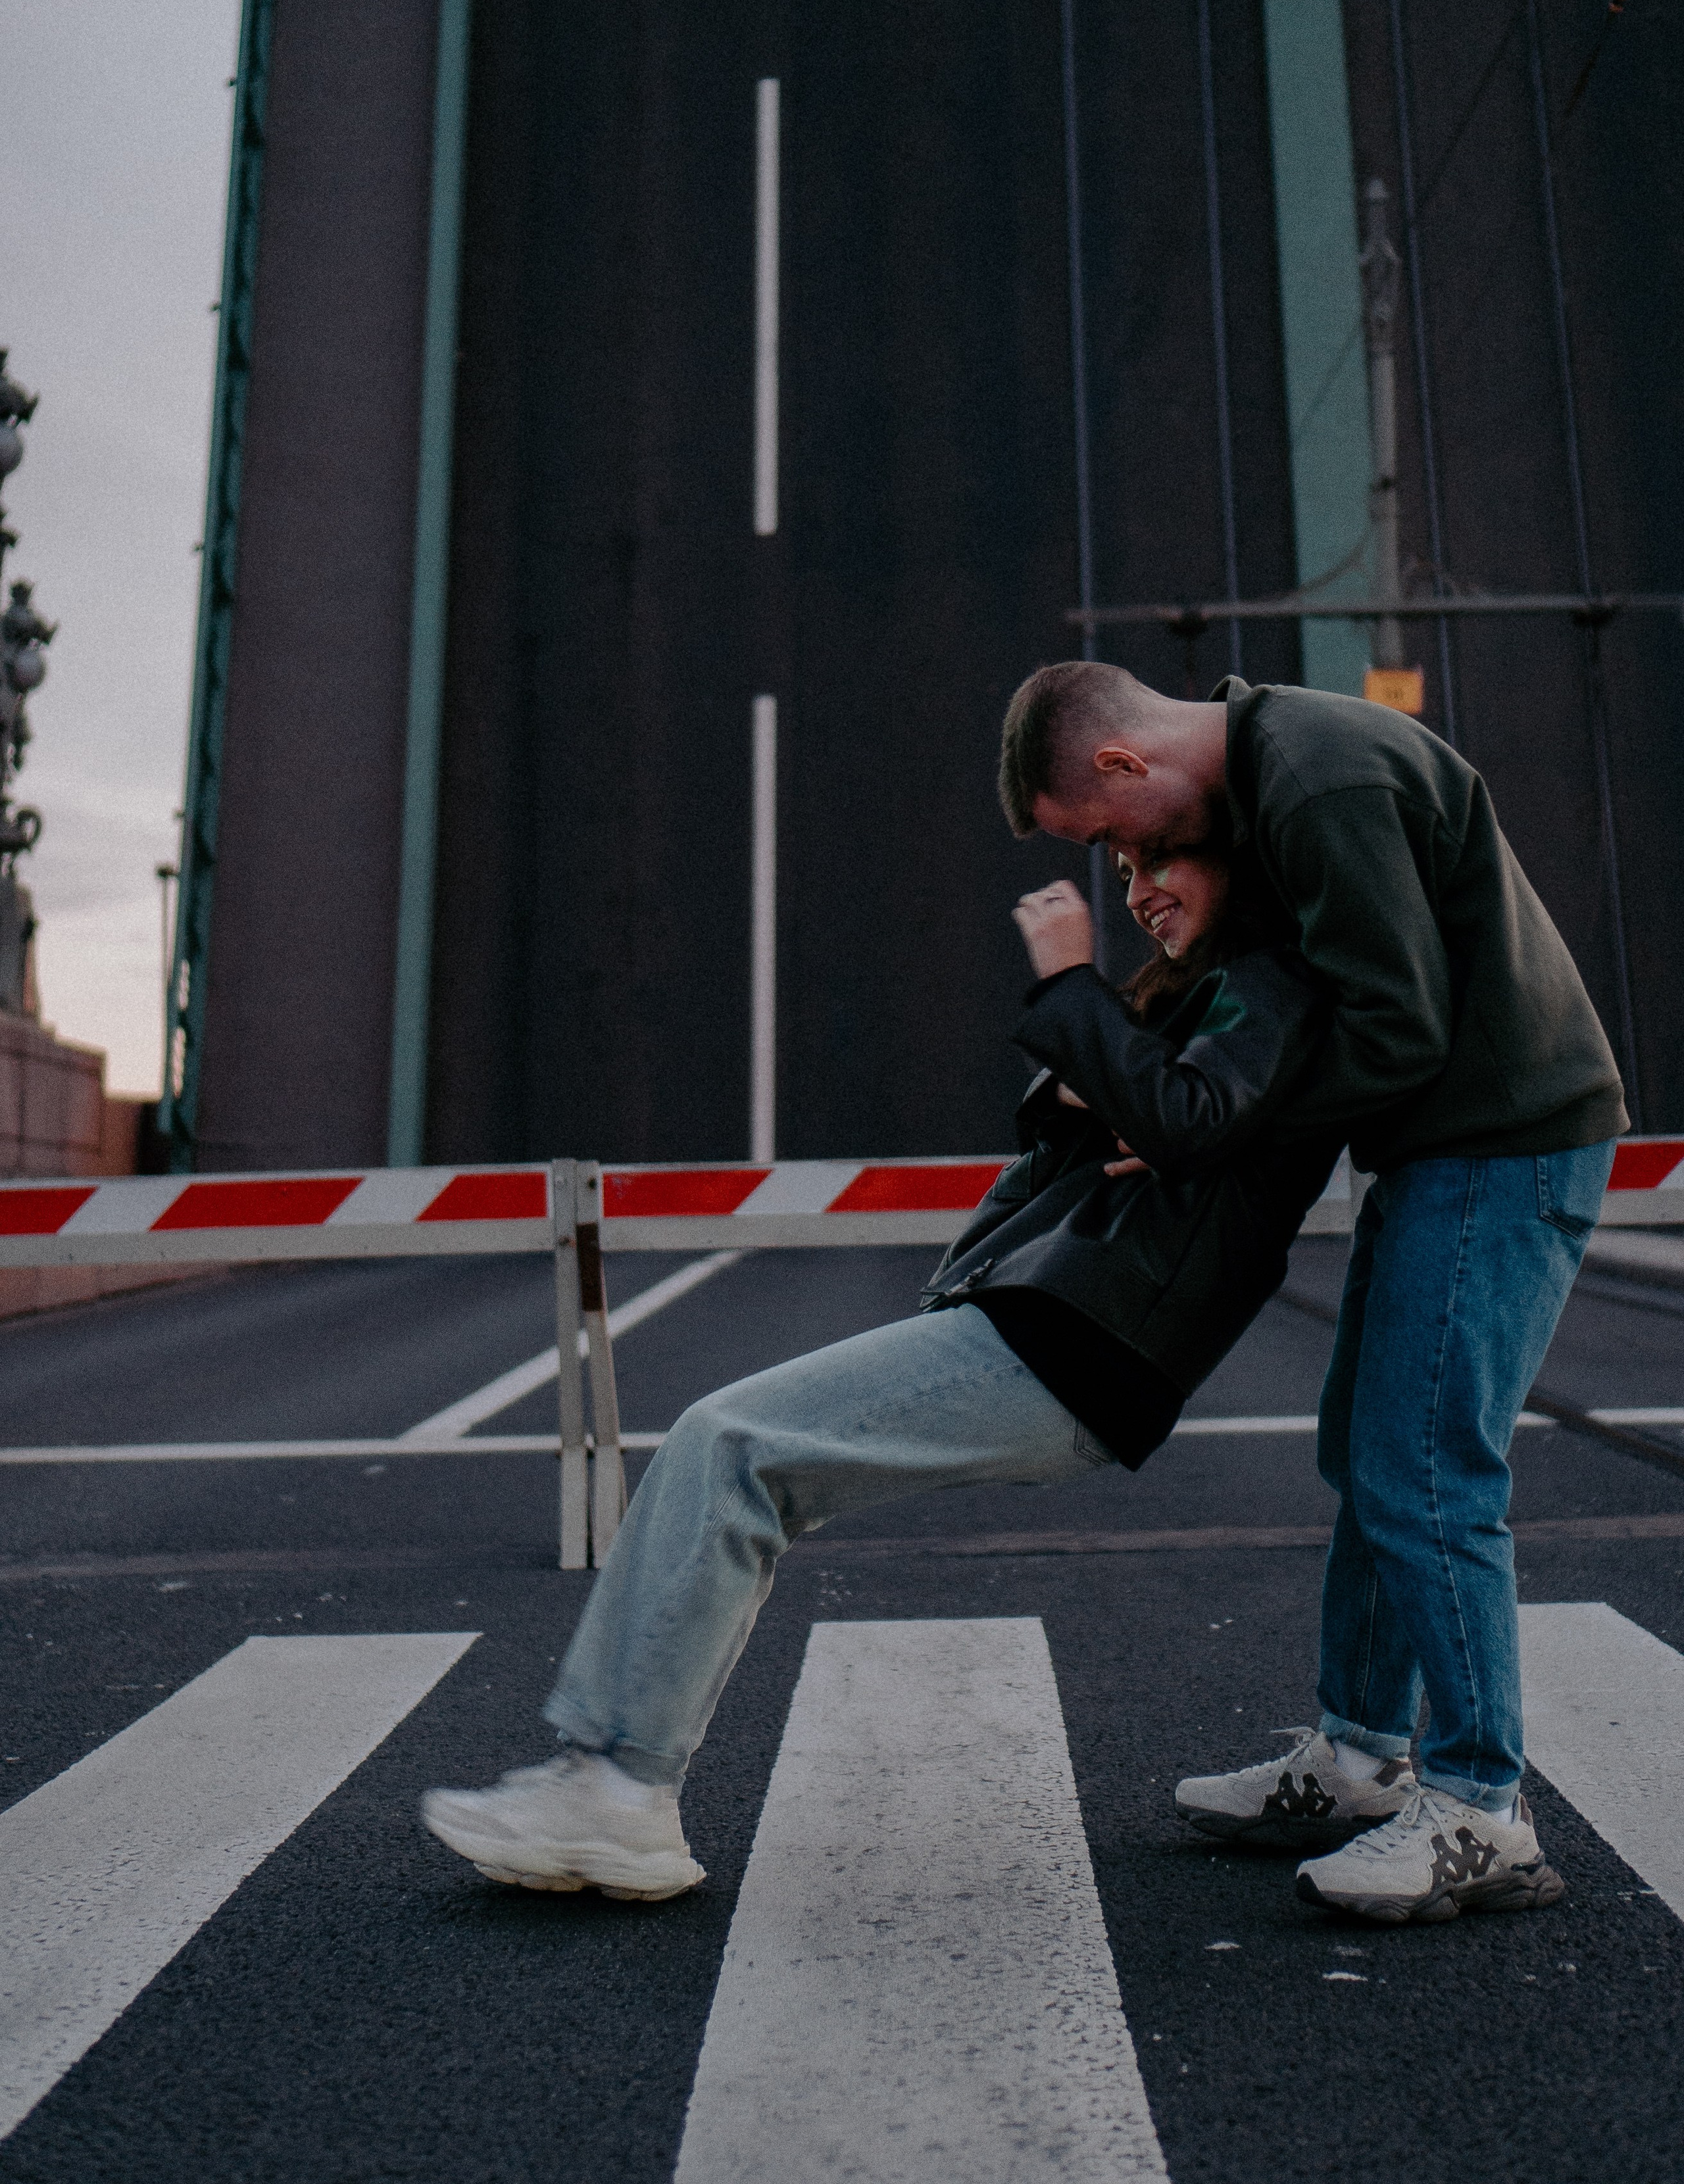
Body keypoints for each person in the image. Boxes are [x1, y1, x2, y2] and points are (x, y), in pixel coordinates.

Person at [422, 836, 1343, 1902]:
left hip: (1083, 1332)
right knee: (740, 1461)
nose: (1139, 896)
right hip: (1064, 1324)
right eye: (1127, 874)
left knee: (729, 1447)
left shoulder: (1268, 982)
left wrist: (1073, 986)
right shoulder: (1206, 995)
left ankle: (620, 1789)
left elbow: (1178, 1114)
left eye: (1164, 867)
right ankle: (617, 1785)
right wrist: (1121, 1082)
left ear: (1242, 866)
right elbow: (1104, 1108)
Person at [998, 661, 1624, 1927]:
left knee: (1427, 1471)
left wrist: (1212, 1135)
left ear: (1121, 766)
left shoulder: (1320, 778)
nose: (1126, 864)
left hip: (1500, 1145)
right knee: (1368, 1455)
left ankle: (1481, 1812)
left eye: (1110, 833)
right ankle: (1358, 1759)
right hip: (1451, 1149)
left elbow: (1397, 1029)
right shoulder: (1283, 770)